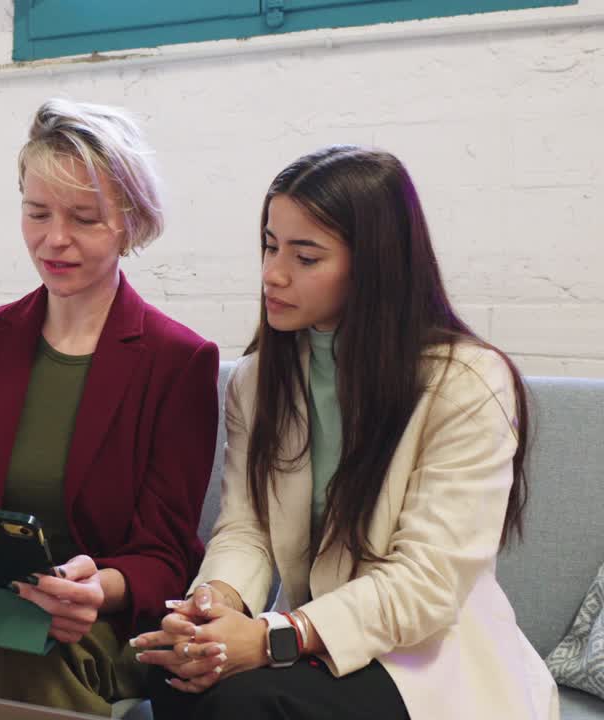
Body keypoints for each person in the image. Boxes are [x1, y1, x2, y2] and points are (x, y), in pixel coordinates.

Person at [133, 146, 559, 720]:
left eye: (305, 257)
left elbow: (426, 584)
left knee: (246, 700)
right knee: (178, 677)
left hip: (428, 659)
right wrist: (215, 606)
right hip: (311, 641)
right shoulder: (260, 380)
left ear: (376, 265)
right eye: (269, 245)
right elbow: (246, 529)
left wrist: (269, 636)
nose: (272, 274)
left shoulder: (466, 383)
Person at [0, 98, 220, 716]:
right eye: (37, 213)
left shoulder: (178, 360)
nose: (53, 239)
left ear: (130, 223)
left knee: (23, 633)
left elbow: (165, 556)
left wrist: (97, 589)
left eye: (84, 219)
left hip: (91, 622)